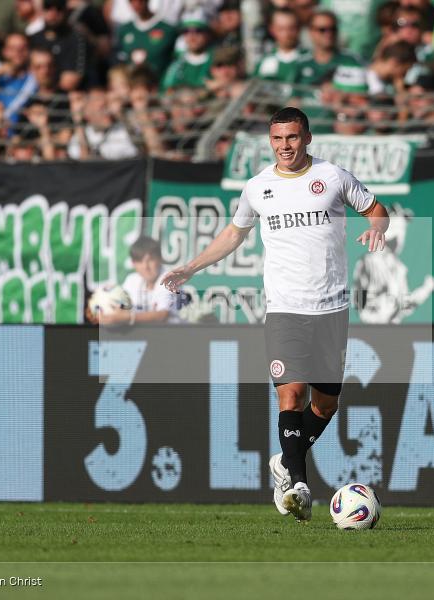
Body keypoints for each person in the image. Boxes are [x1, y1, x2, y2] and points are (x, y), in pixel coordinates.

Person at [162, 107, 389, 522]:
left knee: (325, 406)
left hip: (331, 307)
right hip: (284, 308)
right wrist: (191, 267)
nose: (285, 146)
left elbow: (376, 208)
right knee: (291, 394)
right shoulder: (258, 187)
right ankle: (299, 485)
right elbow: (234, 233)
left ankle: (286, 460)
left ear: (307, 138)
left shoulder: (333, 177)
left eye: (293, 138)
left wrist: (377, 227)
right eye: (278, 139)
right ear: (271, 141)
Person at [87, 236, 184, 324]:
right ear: (133, 263)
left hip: (172, 337)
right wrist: (100, 308)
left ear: (160, 259)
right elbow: (121, 308)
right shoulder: (132, 280)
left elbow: (162, 315)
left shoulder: (169, 279)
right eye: (139, 261)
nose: (145, 266)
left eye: (150, 260)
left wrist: (127, 317)